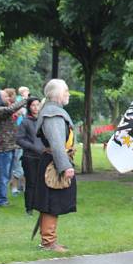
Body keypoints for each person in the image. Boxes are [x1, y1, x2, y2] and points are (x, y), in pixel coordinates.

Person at [33, 79, 77, 252]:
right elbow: (57, 144)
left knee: (52, 201)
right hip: (54, 163)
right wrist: (65, 166)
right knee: (52, 202)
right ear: (57, 93)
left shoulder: (54, 111)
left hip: (54, 161)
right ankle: (48, 242)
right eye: (66, 90)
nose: (68, 93)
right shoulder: (53, 113)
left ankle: (48, 240)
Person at [0, 88, 24, 206]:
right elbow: (11, 109)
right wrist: (25, 99)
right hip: (2, 149)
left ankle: (2, 199)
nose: (8, 98)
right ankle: (1, 200)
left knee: (6, 175)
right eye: (5, 97)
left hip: (9, 147)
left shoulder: (0, 110)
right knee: (3, 176)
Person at [16, 96, 45, 215]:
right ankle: (29, 208)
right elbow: (19, 139)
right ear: (29, 107)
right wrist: (33, 147)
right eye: (33, 105)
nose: (36, 107)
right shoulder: (25, 121)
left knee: (42, 183)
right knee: (31, 183)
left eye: (38, 105)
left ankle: (41, 206)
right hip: (30, 157)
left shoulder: (44, 120)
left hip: (43, 156)